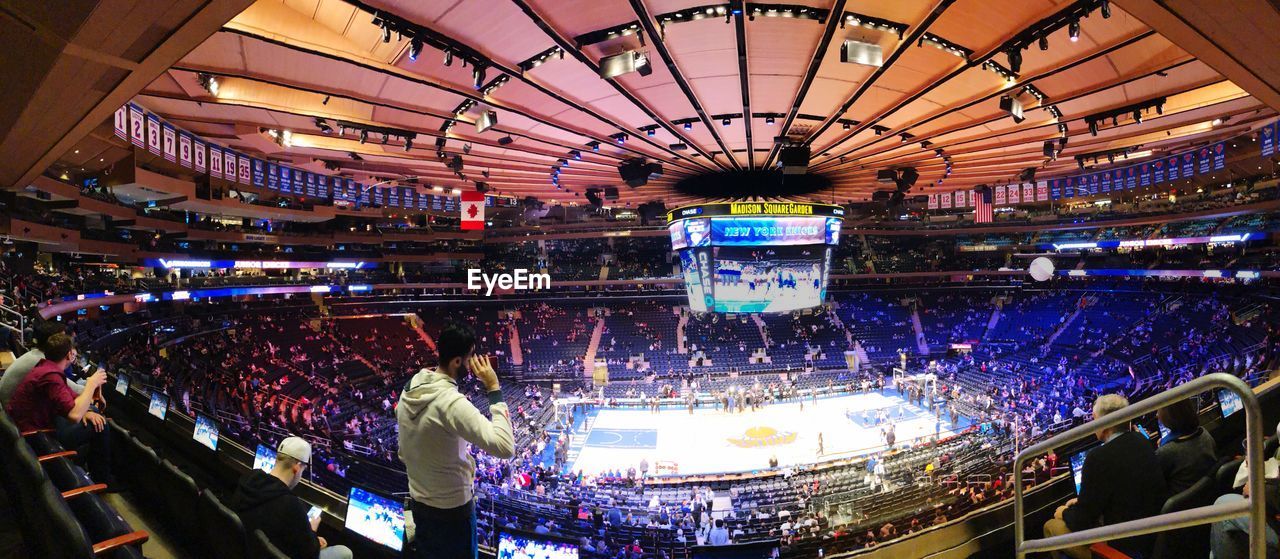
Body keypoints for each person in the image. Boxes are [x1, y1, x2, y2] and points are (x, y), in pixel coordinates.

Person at [398, 324, 514, 559]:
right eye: (471, 357)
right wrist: (493, 388)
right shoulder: (451, 402)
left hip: (420, 501)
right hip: (452, 510)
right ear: (457, 362)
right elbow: (505, 447)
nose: (473, 364)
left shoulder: (411, 387)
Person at [1043, 394, 1167, 559]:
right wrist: (1083, 502)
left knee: (1051, 526)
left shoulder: (1098, 457)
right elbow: (1121, 488)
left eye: (1094, 419)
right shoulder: (1141, 440)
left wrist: (1064, 512)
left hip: (1124, 549)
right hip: (1152, 535)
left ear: (1105, 423)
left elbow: (1081, 521)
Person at [4, 332, 114, 484]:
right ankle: (104, 480)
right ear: (69, 355)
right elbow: (74, 415)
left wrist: (87, 411)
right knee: (102, 425)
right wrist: (91, 384)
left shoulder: (46, 368)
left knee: (93, 415)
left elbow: (69, 397)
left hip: (32, 429)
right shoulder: (50, 375)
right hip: (36, 438)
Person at [227, 437, 352, 559]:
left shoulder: (248, 478)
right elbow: (309, 554)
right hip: (263, 551)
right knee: (345, 552)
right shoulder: (290, 504)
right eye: (303, 470)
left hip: (242, 548)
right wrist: (312, 531)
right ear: (297, 468)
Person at [0, 320, 81, 406]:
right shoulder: (40, 362)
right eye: (63, 338)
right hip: (13, 414)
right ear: (53, 341)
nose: (67, 343)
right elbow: (75, 390)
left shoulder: (36, 354)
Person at [1155, 398, 1216, 494]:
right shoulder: (1204, 433)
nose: (1157, 415)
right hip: (1209, 493)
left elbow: (1154, 482)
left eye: (1159, 411)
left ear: (1170, 417)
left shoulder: (1165, 452)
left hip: (1182, 504)